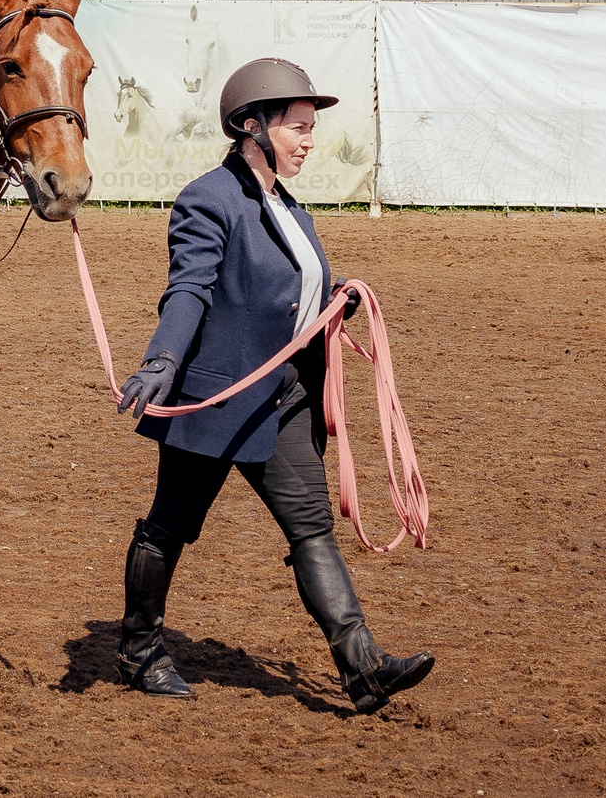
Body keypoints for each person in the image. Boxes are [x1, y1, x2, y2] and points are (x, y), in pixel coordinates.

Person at [108, 57, 435, 712]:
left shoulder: (289, 207)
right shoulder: (210, 198)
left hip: (282, 401)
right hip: (218, 400)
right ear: (252, 125)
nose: (309, 139)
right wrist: (163, 362)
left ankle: (362, 665)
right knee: (170, 526)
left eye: (311, 127)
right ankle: (139, 649)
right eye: (298, 127)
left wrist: (334, 302)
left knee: (311, 528)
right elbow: (189, 289)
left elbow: (292, 294)